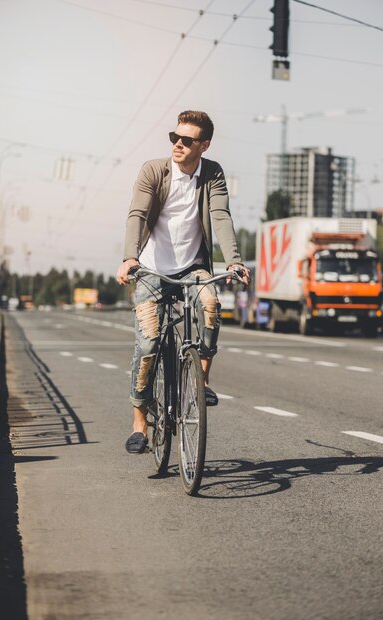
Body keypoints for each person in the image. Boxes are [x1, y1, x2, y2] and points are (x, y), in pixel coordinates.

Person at [116, 110, 250, 454]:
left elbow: (220, 215)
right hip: (151, 269)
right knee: (147, 347)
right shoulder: (153, 170)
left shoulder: (212, 173)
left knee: (211, 304)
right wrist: (130, 257)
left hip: (193, 266)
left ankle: (202, 379)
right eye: (174, 137)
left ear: (203, 145)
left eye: (187, 140)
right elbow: (139, 213)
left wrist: (233, 260)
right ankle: (139, 423)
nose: (178, 144)